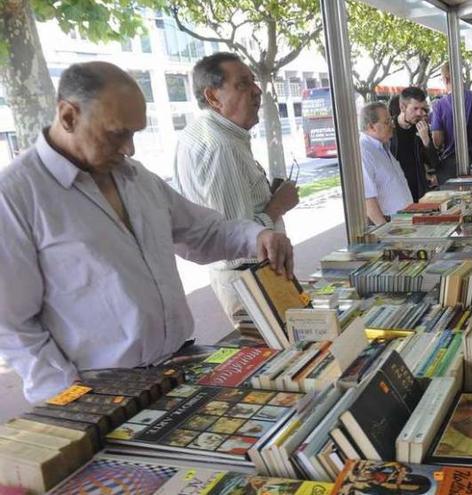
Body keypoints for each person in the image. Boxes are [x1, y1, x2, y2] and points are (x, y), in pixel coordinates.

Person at [0, 62, 294, 402]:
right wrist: (69, 395)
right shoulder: (16, 196)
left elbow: (202, 232)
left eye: (134, 134)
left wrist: (256, 236)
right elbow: (13, 324)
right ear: (68, 116)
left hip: (180, 364)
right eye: (116, 133)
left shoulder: (134, 176)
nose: (129, 149)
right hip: (102, 391)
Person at [174, 52, 299, 323]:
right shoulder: (220, 146)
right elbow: (232, 238)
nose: (257, 91)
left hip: (254, 276)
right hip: (250, 278)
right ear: (213, 97)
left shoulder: (219, 135)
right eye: (243, 84)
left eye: (254, 81)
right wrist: (278, 205)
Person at [359, 102, 413, 225]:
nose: (392, 125)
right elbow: (368, 200)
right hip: (389, 224)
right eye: (387, 122)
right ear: (371, 127)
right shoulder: (364, 152)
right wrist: (385, 230)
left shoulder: (382, 146)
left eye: (391, 121)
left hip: (403, 219)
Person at [389, 87, 440, 201]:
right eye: (415, 108)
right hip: (396, 191)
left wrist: (426, 141)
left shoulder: (421, 128)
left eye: (422, 109)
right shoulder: (390, 129)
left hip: (418, 190)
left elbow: (434, 163)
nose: (420, 113)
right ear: (402, 107)